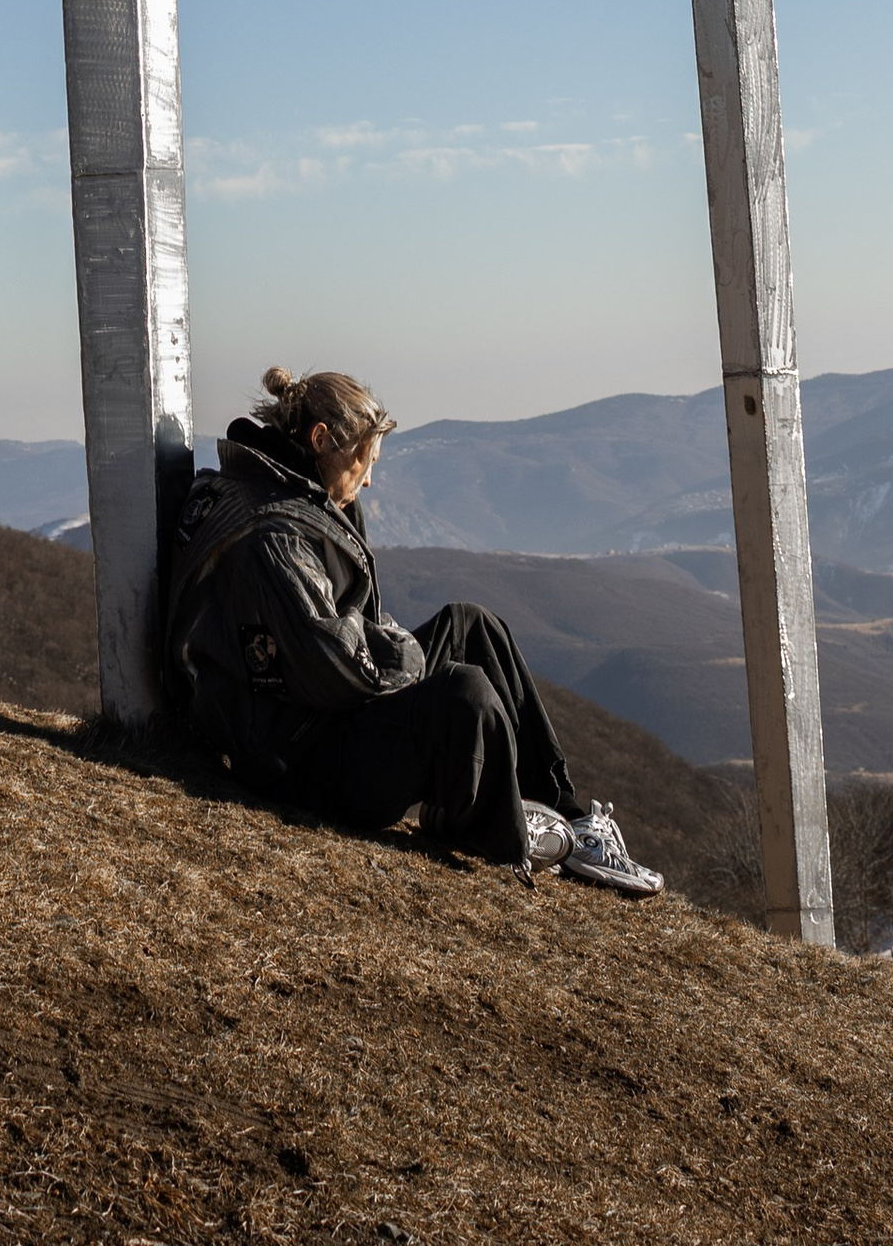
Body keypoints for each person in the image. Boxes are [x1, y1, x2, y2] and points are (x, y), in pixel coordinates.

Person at [162, 363, 663, 895]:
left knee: (473, 627)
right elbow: (330, 668)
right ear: (320, 440)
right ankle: (504, 832)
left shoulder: (286, 494)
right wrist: (406, 656)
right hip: (296, 758)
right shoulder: (273, 535)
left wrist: (390, 647)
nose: (369, 478)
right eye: (365, 460)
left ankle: (569, 820)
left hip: (308, 716)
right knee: (462, 693)